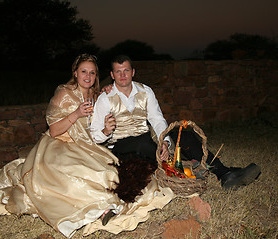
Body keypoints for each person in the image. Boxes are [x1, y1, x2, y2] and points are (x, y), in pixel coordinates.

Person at [0, 54, 174, 239]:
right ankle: (96, 210)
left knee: (109, 172)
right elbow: (54, 130)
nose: (88, 77)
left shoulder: (96, 93)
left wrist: (108, 95)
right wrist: (77, 114)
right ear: (75, 72)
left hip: (86, 145)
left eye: (92, 73)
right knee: (77, 177)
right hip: (60, 145)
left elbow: (98, 125)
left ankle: (107, 205)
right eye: (84, 72)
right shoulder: (64, 93)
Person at [90, 55, 261, 190]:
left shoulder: (145, 91)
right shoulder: (105, 98)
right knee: (143, 143)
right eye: (118, 72)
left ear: (133, 71)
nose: (122, 75)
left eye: (126, 70)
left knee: (182, 135)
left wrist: (164, 142)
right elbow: (95, 136)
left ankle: (225, 174)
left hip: (146, 140)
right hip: (121, 146)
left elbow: (157, 119)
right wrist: (105, 131)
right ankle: (177, 168)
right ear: (112, 75)